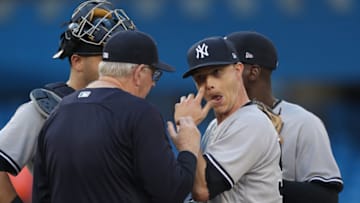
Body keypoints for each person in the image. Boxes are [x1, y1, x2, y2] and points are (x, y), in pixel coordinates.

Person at [32, 30, 201, 203]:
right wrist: (188, 149)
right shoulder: (140, 113)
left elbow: (41, 196)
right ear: (139, 73)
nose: (153, 83)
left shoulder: (58, 113)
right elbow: (171, 192)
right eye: (154, 74)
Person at [0, 1, 135, 202]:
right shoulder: (43, 110)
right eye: (105, 57)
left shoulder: (129, 109)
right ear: (77, 61)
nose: (116, 66)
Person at [226, 31, 343, 203]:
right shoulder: (219, 126)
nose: (217, 78)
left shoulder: (303, 123)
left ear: (253, 72)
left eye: (226, 69)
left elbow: (327, 197)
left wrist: (265, 183)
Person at [174, 36, 282, 203]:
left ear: (238, 70)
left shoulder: (250, 122)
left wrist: (187, 132)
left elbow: (203, 191)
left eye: (217, 72)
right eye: (200, 78)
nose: (209, 84)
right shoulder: (214, 127)